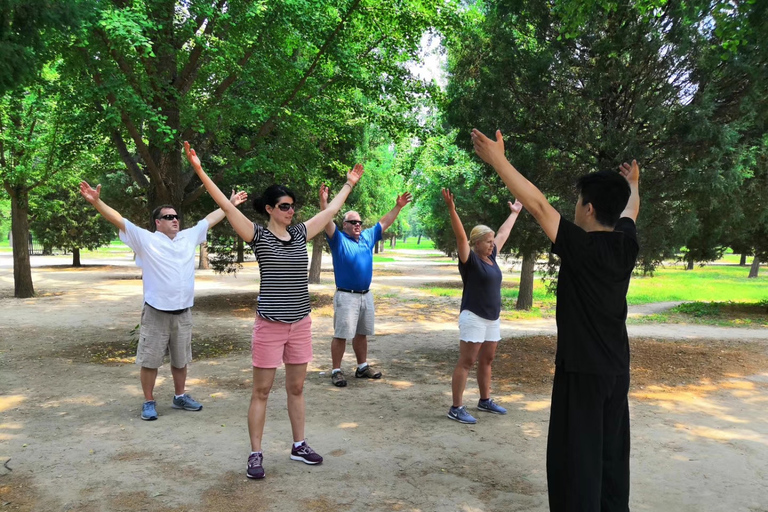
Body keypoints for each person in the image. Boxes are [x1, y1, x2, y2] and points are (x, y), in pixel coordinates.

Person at [471, 128, 640, 512]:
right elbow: (630, 212)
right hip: (616, 371)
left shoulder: (583, 247)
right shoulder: (626, 245)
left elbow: (538, 205)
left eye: (579, 202)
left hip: (582, 371)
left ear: (591, 209)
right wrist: (632, 186)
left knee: (575, 464)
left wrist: (499, 160)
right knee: (612, 459)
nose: (575, 208)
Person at [184, 141, 363, 481]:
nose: (291, 211)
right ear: (269, 208)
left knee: (296, 389)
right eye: (284, 206)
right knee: (262, 391)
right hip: (270, 325)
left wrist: (349, 185)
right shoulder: (258, 235)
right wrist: (199, 170)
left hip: (300, 323)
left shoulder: (299, 234)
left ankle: (299, 445)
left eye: (293, 206)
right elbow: (223, 203)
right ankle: (255, 454)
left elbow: (330, 213)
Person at [79, 181, 248, 421]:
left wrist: (229, 205)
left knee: (181, 360)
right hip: (156, 312)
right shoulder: (145, 239)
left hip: (183, 312)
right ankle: (148, 401)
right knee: (150, 361)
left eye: (176, 216)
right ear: (158, 222)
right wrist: (97, 202)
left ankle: (180, 397)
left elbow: (210, 219)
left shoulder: (188, 237)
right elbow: (118, 219)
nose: (174, 220)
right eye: (168, 217)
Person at [441, 189, 523, 424]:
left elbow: (504, 233)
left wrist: (514, 214)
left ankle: (484, 400)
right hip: (473, 317)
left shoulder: (491, 256)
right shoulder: (470, 260)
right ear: (476, 243)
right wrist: (452, 210)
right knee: (466, 362)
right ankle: (456, 407)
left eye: (492, 241)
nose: (492, 244)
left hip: (491, 318)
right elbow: (459, 237)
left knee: (487, 360)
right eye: (488, 241)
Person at [319, 190, 412, 387]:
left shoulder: (367, 237)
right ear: (345, 225)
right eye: (353, 222)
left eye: (359, 222)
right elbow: (326, 220)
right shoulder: (338, 239)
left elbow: (384, 223)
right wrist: (324, 202)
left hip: (365, 295)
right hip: (346, 296)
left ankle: (362, 367)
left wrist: (398, 207)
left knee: (362, 333)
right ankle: (336, 370)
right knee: (342, 333)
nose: (358, 225)